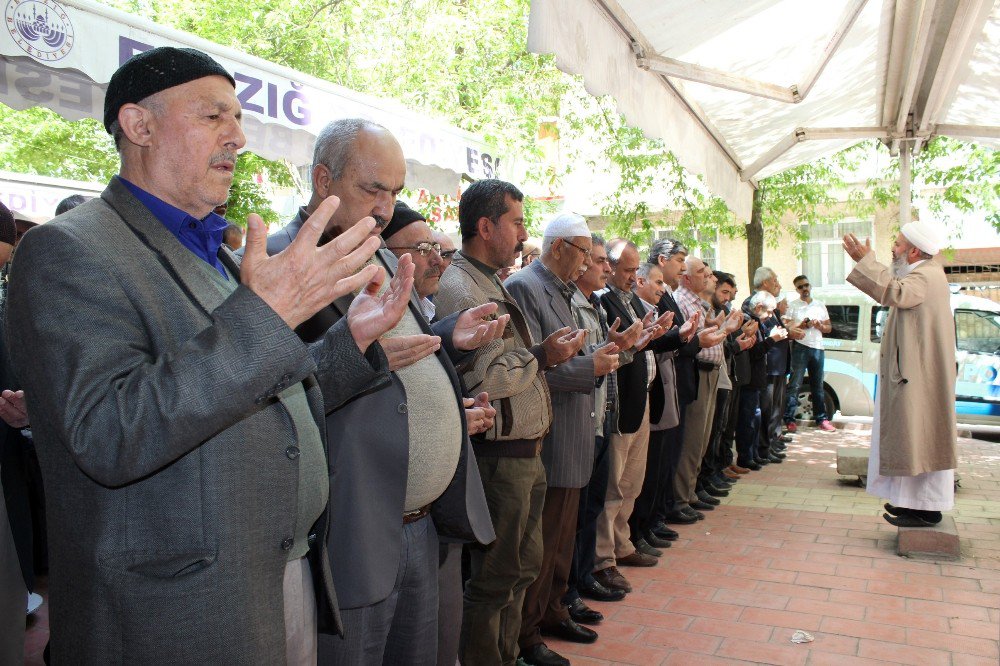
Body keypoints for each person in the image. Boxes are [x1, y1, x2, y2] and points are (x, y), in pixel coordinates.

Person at [6, 46, 415, 663]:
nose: (239, 138)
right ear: (138, 125)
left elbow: (266, 398)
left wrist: (350, 341)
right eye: (214, 117)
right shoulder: (69, 251)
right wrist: (268, 317)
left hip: (277, 576)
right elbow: (107, 432)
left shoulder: (214, 251)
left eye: (240, 119)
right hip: (172, 616)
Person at [260, 118, 500, 665]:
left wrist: (448, 339)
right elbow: (267, 396)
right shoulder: (278, 264)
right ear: (324, 179)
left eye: (395, 191)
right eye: (374, 189)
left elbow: (398, 359)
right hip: (351, 530)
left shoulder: (385, 257)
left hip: (421, 524)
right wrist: (357, 355)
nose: (387, 206)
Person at [435, 179, 584, 666]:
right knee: (496, 577)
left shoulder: (490, 278)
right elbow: (483, 380)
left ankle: (507, 653)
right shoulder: (459, 285)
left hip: (525, 453)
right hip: (500, 458)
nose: (524, 233)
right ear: (485, 226)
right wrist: (543, 355)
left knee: (521, 569)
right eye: (517, 222)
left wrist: (541, 356)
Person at [504, 214, 621, 663]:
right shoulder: (525, 287)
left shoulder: (566, 289)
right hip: (548, 432)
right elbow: (531, 367)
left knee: (561, 539)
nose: (589, 262)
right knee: (541, 542)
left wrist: (608, 351)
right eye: (583, 252)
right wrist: (588, 368)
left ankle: (551, 610)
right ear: (559, 248)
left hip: (575, 427)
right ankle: (528, 633)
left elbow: (573, 351)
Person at [843, 222, 956, 527]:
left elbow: (895, 292)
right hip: (912, 376)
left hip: (917, 379)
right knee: (912, 442)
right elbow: (896, 285)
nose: (893, 248)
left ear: (914, 250)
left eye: (897, 244)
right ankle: (911, 504)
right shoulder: (924, 273)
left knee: (920, 442)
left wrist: (866, 263)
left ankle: (928, 509)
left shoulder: (926, 275)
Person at [783, 274, 835, 431]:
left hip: (818, 348)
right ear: (797, 290)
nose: (804, 289)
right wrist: (803, 324)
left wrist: (820, 326)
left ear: (810, 286)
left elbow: (829, 327)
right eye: (800, 287)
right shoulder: (792, 306)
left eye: (806, 285)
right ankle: (789, 418)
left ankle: (822, 419)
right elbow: (786, 325)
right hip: (800, 347)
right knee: (795, 384)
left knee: (818, 385)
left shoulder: (819, 305)